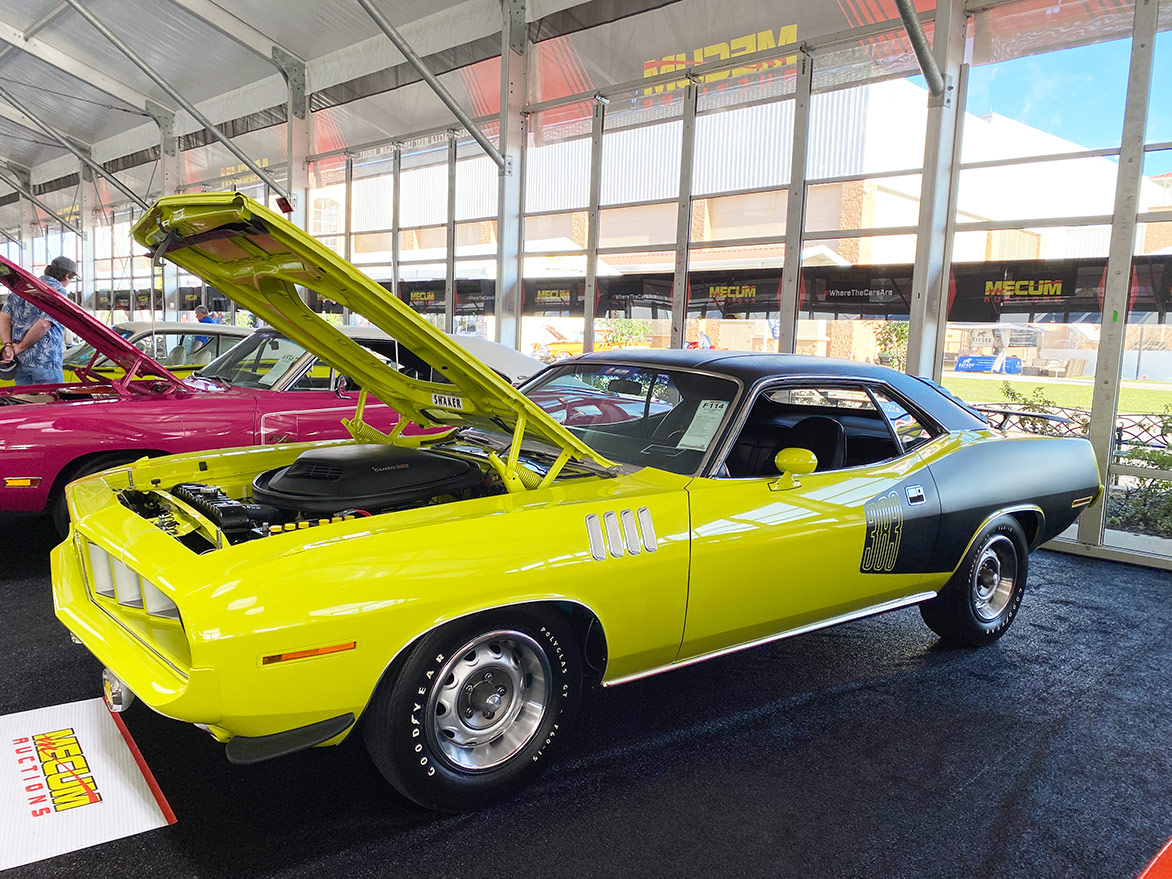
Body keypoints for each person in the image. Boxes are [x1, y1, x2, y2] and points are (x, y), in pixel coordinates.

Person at [0, 255, 76, 386]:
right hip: (45, 362)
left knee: (26, 404)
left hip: (19, 361)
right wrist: (20, 347)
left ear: (47, 269)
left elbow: (4, 316)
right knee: (50, 405)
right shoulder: (58, 291)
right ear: (67, 276)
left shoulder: (21, 287)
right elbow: (44, 324)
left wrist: (8, 345)